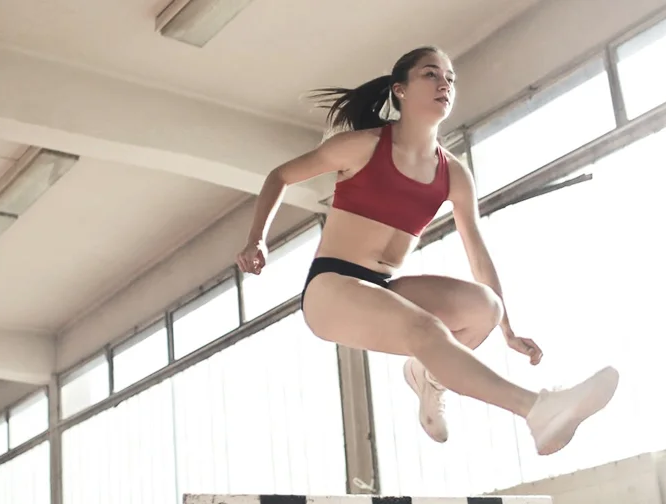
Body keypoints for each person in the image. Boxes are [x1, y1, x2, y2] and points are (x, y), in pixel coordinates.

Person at [236, 46, 618, 455]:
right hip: (331, 288)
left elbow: (476, 249)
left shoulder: (453, 173)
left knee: (485, 307)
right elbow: (282, 175)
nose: (444, 85)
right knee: (427, 330)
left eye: (450, 78)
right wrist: (257, 237)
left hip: (383, 288)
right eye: (431, 75)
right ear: (400, 91)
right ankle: (537, 410)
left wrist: (506, 328)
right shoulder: (362, 146)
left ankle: (428, 376)